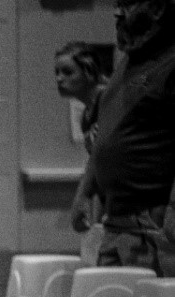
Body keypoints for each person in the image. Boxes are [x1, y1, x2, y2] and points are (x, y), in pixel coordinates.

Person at [86, 0, 175, 275]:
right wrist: (85, 191)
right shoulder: (129, 62)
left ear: (159, 8)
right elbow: (106, 137)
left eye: (127, 3)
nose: (116, 12)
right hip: (117, 222)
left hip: (153, 228)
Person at [55, 41, 114, 258]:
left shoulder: (108, 100)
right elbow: (95, 162)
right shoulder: (87, 114)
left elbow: (100, 154)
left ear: (89, 71)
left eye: (68, 72)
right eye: (57, 72)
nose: (59, 79)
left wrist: (82, 197)